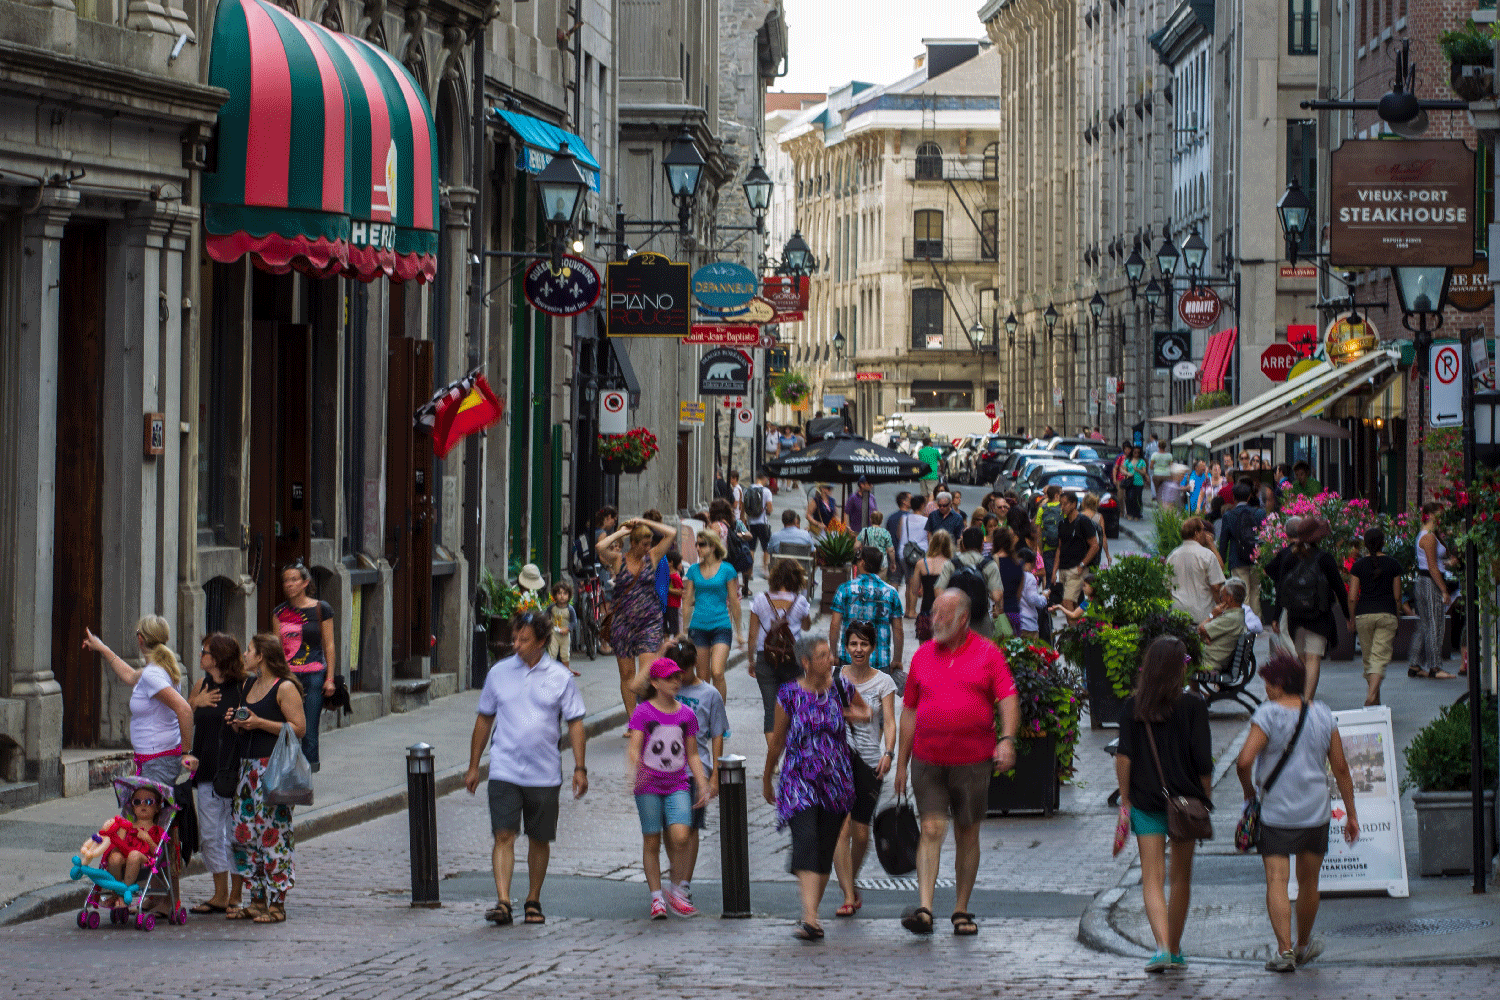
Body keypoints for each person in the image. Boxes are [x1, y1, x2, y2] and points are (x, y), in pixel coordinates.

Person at [894, 589, 1019, 936]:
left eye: (943, 616)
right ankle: (924, 909)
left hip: (973, 760)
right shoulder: (922, 656)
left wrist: (1007, 740)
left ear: (963, 619)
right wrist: (901, 763)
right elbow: (909, 711)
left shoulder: (988, 653)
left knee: (967, 832)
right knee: (932, 829)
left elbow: (1008, 697)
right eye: (933, 614)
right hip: (928, 759)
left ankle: (961, 909)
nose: (934, 621)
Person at [1235, 653, 1359, 971]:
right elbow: (1341, 769)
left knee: (1277, 879)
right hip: (1315, 812)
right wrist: (1351, 813)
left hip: (1276, 812)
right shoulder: (1322, 714)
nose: (1264, 689)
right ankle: (1303, 945)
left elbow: (1244, 761)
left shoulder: (1268, 714)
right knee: (1309, 883)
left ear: (1279, 684)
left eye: (1267, 683)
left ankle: (1285, 951)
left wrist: (1250, 791)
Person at [464, 611, 588, 927]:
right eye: (514, 638)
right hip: (505, 767)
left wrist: (580, 767)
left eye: (524, 640)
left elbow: (575, 722)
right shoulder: (499, 673)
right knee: (503, 833)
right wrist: (474, 765)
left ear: (543, 641)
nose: (516, 645)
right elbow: (484, 718)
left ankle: (533, 898)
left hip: (544, 772)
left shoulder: (560, 677)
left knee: (539, 837)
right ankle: (504, 901)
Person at [1114, 637, 1213, 973]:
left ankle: (1161, 948)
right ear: (1181, 667)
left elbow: (1124, 757)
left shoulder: (1133, 706)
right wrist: (1205, 799)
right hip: (1186, 802)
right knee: (1181, 878)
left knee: (1152, 877)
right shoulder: (1194, 706)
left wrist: (1124, 800)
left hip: (1145, 799)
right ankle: (1173, 946)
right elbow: (1204, 763)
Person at [763, 634, 869, 940]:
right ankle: (810, 917)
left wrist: (849, 714)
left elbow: (865, 712)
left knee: (823, 849)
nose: (831, 660)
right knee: (806, 838)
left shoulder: (841, 687)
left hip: (836, 781)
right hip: (799, 779)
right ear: (806, 662)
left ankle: (811, 915)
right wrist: (769, 775)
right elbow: (778, 740)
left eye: (829, 655)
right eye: (822, 656)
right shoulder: (789, 694)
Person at [226, 633, 306, 924]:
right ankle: (256, 898)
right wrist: (238, 722)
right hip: (247, 770)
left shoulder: (284, 687)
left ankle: (277, 903)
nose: (244, 655)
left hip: (273, 770)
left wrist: (259, 723)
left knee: (273, 834)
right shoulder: (249, 684)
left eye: (248, 650)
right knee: (244, 833)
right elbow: (249, 725)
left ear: (261, 656)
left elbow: (298, 728)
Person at [628, 657, 713, 918]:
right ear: (654, 682)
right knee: (651, 839)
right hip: (649, 785)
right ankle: (657, 898)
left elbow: (693, 754)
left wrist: (702, 783)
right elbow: (634, 749)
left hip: (677, 782)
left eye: (678, 676)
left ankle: (676, 890)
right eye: (669, 678)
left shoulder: (686, 714)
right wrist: (638, 771)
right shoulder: (643, 712)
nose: (676, 682)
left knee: (681, 836)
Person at [830, 621, 898, 917]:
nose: (858, 650)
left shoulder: (884, 682)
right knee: (840, 828)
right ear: (846, 647)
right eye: (853, 644)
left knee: (860, 833)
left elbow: (891, 722)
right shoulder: (834, 677)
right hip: (836, 760)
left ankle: (851, 879)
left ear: (873, 647)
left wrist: (889, 752)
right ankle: (847, 894)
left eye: (864, 644)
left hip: (870, 761)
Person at [83, 617, 198, 786]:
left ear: (140, 639)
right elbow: (129, 675)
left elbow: (185, 710)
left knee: (144, 811)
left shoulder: (153, 674)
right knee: (145, 810)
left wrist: (186, 751)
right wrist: (102, 648)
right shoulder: (157, 670)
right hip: (155, 759)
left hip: (158, 760)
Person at [187, 633, 245, 914]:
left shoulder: (242, 686)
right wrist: (196, 703)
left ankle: (236, 893)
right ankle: (219, 893)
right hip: (206, 768)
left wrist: (237, 720)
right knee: (210, 834)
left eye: (205, 651)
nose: (201, 655)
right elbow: (185, 714)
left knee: (235, 833)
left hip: (234, 771)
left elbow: (251, 721)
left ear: (219, 657)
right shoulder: (202, 683)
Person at [598, 517, 677, 713]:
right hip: (623, 624)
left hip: (649, 622)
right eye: (643, 544)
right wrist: (622, 532)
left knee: (648, 672)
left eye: (649, 544)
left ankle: (649, 714)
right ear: (633, 543)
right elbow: (600, 547)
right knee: (627, 674)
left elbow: (671, 533)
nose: (647, 547)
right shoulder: (618, 559)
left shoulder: (652, 557)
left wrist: (644, 521)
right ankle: (634, 721)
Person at [1265, 516, 1348, 698]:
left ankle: (1302, 696)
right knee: (1313, 659)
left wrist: (1276, 616)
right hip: (1319, 616)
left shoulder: (1290, 557)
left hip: (1295, 618)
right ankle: (1308, 701)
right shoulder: (1324, 558)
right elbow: (1340, 589)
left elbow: (1281, 590)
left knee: (1303, 659)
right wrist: (1348, 616)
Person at [748, 559, 813, 740]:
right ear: (796, 579)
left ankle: (774, 760)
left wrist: (751, 660)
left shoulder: (761, 599)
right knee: (794, 706)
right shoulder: (800, 602)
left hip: (765, 656)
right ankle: (792, 754)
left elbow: (752, 635)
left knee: (770, 709)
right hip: (793, 659)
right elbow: (807, 627)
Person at [682, 530, 744, 700]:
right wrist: (683, 630)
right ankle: (704, 716)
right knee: (702, 677)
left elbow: (734, 601)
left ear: (713, 546)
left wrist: (739, 632)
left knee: (717, 672)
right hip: (698, 626)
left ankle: (720, 717)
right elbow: (687, 601)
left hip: (721, 625)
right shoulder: (694, 570)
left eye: (701, 544)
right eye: (697, 544)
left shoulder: (727, 569)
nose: (697, 548)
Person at [829, 547, 906, 677]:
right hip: (879, 661)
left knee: (848, 696)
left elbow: (835, 624)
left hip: (849, 659)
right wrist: (897, 659)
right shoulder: (891, 592)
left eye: (858, 561)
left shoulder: (844, 589)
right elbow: (898, 629)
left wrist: (834, 653)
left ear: (862, 563)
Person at [1348, 527, 1403, 705]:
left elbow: (1352, 596)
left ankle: (1374, 698)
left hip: (1364, 615)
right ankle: (1372, 697)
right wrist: (1398, 615)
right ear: (1383, 543)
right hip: (1387, 613)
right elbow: (1397, 596)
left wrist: (1351, 618)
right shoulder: (1394, 564)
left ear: (1365, 544)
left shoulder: (1358, 566)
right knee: (1379, 658)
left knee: (1369, 659)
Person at [1408, 501, 1458, 681]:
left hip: (1424, 580)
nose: (1442, 517)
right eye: (1439, 514)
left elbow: (1432, 564)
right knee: (1436, 624)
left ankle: (1414, 664)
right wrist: (1444, 590)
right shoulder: (1429, 537)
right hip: (1430, 583)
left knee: (1424, 625)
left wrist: (1447, 563)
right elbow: (1431, 566)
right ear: (1430, 515)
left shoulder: (1428, 534)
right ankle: (1435, 667)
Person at [97, 784, 167, 902]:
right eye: (137, 802)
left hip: (145, 860)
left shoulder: (157, 830)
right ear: (133, 807)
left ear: (157, 807)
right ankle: (117, 894)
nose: (143, 805)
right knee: (115, 857)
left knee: (134, 854)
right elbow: (117, 846)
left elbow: (159, 853)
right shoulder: (127, 827)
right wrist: (119, 834)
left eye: (149, 801)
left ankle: (125, 895)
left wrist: (148, 840)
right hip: (125, 856)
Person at [937, 526, 1005, 640]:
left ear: (963, 545)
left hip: (955, 620)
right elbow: (997, 596)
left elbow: (938, 592)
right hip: (981, 620)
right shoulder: (989, 565)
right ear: (982, 546)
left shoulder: (951, 564)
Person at [1218, 482, 1267, 619]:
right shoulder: (1260, 513)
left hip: (1237, 559)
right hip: (1256, 558)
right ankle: (1256, 623)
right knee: (1255, 592)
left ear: (1234, 497)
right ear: (1250, 496)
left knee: (1241, 594)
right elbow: (1266, 537)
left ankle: (1244, 623)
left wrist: (1222, 563)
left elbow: (1223, 542)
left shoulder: (1229, 516)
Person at [1167, 516, 1226, 624]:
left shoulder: (1172, 556)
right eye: (1203, 530)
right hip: (1202, 613)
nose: (1206, 533)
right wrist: (1220, 606)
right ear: (1196, 533)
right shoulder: (1207, 555)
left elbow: (1167, 587)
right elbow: (1216, 587)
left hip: (1178, 612)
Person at [1051, 491, 1100, 612]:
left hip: (1077, 570)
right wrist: (1054, 571)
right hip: (1063, 569)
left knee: (1067, 603)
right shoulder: (1062, 523)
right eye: (1060, 504)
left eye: (1065, 504)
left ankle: (1074, 628)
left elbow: (1094, 545)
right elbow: (1059, 547)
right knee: (1072, 604)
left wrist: (1082, 564)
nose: (1062, 507)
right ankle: (1079, 628)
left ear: (1074, 504)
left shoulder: (1083, 521)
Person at [1197, 578, 1248, 675]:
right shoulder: (1236, 615)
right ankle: (1193, 690)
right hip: (1211, 659)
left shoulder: (1231, 618)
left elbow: (1200, 629)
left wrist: (1212, 615)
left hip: (1208, 662)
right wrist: (1205, 635)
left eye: (1221, 596)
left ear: (1230, 598)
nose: (1219, 600)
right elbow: (1203, 631)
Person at [908, 529, 953, 637]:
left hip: (926, 611)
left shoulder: (921, 563)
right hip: (945, 613)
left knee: (924, 650)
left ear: (932, 543)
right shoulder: (951, 564)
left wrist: (912, 609)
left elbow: (914, 590)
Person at [745, 470, 775, 573]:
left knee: (751, 548)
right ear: (763, 478)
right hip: (762, 523)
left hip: (751, 523)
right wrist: (767, 510)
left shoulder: (747, 490)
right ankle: (765, 569)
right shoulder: (766, 491)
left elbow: (743, 507)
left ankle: (750, 571)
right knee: (766, 548)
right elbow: (770, 508)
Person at [1016, 547, 1048, 639]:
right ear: (1027, 563)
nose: (1033, 568)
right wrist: (1044, 597)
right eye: (1032, 565)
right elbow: (1032, 599)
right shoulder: (1029, 577)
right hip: (1027, 624)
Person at [1080, 493, 1111, 570]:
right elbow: (1103, 536)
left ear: (1083, 503)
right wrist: (1107, 554)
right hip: (1095, 551)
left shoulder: (1078, 516)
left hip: (1080, 549)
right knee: (1092, 574)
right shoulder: (1099, 517)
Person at [1122, 445, 1148, 519]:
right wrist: (1127, 473)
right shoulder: (1128, 460)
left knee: (1137, 499)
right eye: (1135, 452)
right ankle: (1129, 513)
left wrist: (1137, 470)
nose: (1136, 454)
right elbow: (1123, 470)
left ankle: (1137, 514)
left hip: (1139, 482)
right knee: (1129, 498)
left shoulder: (1142, 461)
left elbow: (1144, 472)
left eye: (1138, 452)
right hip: (1130, 482)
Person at [664, 551, 685, 636]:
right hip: (666, 604)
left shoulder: (675, 577)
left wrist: (668, 590)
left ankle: (677, 644)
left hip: (673, 605)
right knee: (665, 628)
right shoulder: (666, 575)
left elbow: (680, 591)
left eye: (666, 561)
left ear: (671, 562)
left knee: (674, 628)